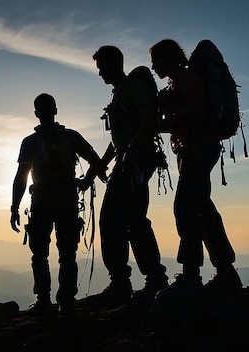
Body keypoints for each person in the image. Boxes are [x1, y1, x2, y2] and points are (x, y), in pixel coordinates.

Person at [148, 39, 242, 298]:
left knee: (186, 207)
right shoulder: (178, 82)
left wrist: (169, 105)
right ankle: (226, 271)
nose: (154, 66)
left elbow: (197, 114)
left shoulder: (186, 77)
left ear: (168, 57)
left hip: (198, 148)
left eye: (156, 60)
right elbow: (182, 120)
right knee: (202, 208)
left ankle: (191, 276)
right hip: (194, 148)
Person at [86, 45, 169, 306]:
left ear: (115, 63)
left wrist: (131, 150)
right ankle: (151, 278)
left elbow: (148, 120)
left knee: (113, 219)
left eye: (102, 67)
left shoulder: (132, 88)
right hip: (131, 161)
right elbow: (119, 139)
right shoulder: (120, 93)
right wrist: (98, 166)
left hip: (135, 163)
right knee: (133, 219)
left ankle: (124, 282)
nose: (100, 74)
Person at [10, 93, 102, 318]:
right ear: (56, 110)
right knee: (67, 252)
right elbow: (96, 160)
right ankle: (67, 302)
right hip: (67, 199)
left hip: (40, 200)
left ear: (36, 114)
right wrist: (86, 181)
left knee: (39, 254)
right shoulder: (71, 137)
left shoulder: (30, 142)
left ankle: (43, 300)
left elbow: (21, 177)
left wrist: (14, 208)